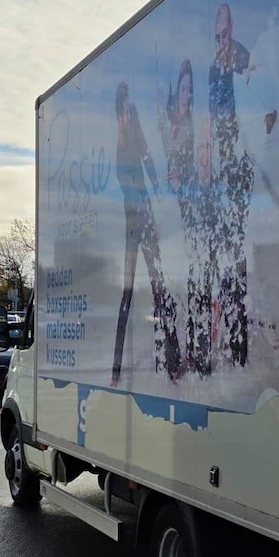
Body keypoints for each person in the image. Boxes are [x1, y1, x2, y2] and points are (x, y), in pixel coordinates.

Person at [111, 81, 182, 386]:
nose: (127, 115)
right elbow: (129, 188)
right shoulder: (120, 151)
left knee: (159, 287)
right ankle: (115, 371)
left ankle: (173, 362)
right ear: (118, 116)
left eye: (130, 110)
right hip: (133, 226)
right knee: (126, 295)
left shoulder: (135, 141)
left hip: (146, 220)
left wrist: (159, 193)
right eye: (124, 111)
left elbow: (150, 162)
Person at [158, 60, 215, 377]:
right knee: (173, 287)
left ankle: (197, 355)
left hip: (192, 211)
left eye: (191, 90)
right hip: (172, 214)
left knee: (196, 284)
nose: (187, 95)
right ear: (177, 89)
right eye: (184, 88)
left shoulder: (195, 124)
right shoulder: (168, 124)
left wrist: (189, 185)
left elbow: (202, 166)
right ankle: (176, 357)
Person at [207, 3, 256, 368]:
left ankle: (238, 344)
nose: (221, 41)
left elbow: (256, 101)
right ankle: (226, 335)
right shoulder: (213, 67)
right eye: (217, 36)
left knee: (235, 248)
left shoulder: (243, 58)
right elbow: (212, 117)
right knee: (225, 250)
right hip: (223, 166)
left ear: (232, 28)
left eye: (224, 34)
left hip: (241, 163)